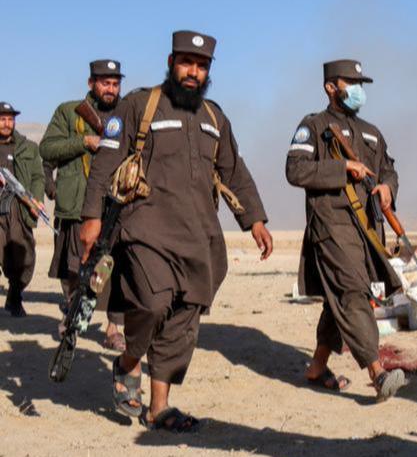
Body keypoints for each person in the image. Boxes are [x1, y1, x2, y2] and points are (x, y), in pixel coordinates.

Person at [81, 31, 271, 430]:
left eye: (201, 66)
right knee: (152, 304)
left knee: (184, 317)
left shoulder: (214, 118)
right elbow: (104, 162)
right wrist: (91, 217)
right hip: (147, 228)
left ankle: (159, 407)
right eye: (186, 63)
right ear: (171, 63)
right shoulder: (140, 105)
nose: (193, 72)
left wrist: (255, 219)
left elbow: (234, 170)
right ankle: (129, 362)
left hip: (199, 235)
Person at [284, 59, 407, 402]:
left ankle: (317, 366)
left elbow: (389, 170)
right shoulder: (314, 126)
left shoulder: (371, 131)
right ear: (330, 87)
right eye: (350, 83)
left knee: (341, 297)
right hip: (331, 226)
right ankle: (377, 372)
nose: (358, 90)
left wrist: (387, 189)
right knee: (353, 293)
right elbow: (295, 170)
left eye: (360, 84)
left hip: (367, 230)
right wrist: (342, 168)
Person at [40, 59, 127, 348]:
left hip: (115, 204)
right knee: (75, 269)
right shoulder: (68, 112)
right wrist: (84, 142)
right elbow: (47, 149)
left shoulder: (127, 113)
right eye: (105, 83)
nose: (110, 89)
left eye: (115, 84)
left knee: (119, 269)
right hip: (77, 206)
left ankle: (115, 329)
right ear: (91, 83)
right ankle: (73, 317)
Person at [0, 101, 44, 317]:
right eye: (2, 119)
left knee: (24, 257)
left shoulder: (27, 147)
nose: (7, 123)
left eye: (10, 119)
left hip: (19, 208)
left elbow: (37, 176)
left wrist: (35, 199)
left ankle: (15, 294)